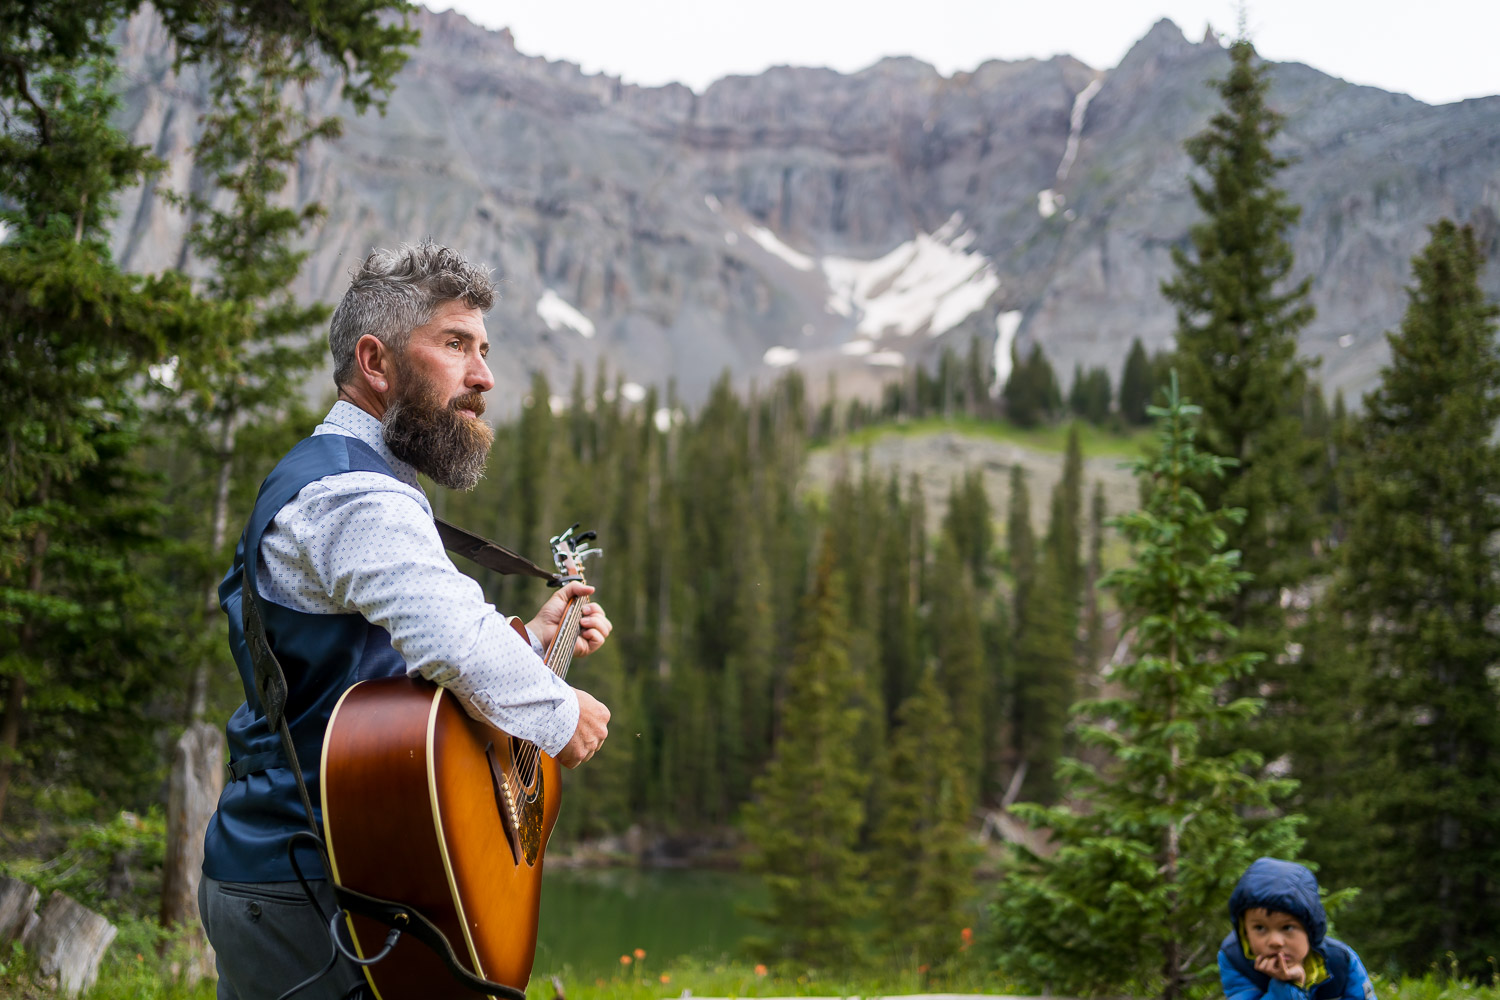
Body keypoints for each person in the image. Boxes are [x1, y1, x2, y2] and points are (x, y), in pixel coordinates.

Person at [197, 241, 613, 1000]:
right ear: (376, 362)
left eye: (484, 350)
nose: (483, 376)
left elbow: (399, 683)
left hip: (340, 874)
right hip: (311, 891)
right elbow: (456, 644)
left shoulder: (354, 479)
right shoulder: (354, 497)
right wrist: (562, 713)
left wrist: (530, 644)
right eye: (455, 344)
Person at [1219, 857, 1376, 1000]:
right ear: (1244, 930)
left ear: (1310, 929)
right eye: (1260, 928)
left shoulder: (1340, 961)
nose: (1275, 941)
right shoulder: (1235, 959)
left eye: (1287, 927)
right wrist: (1287, 986)